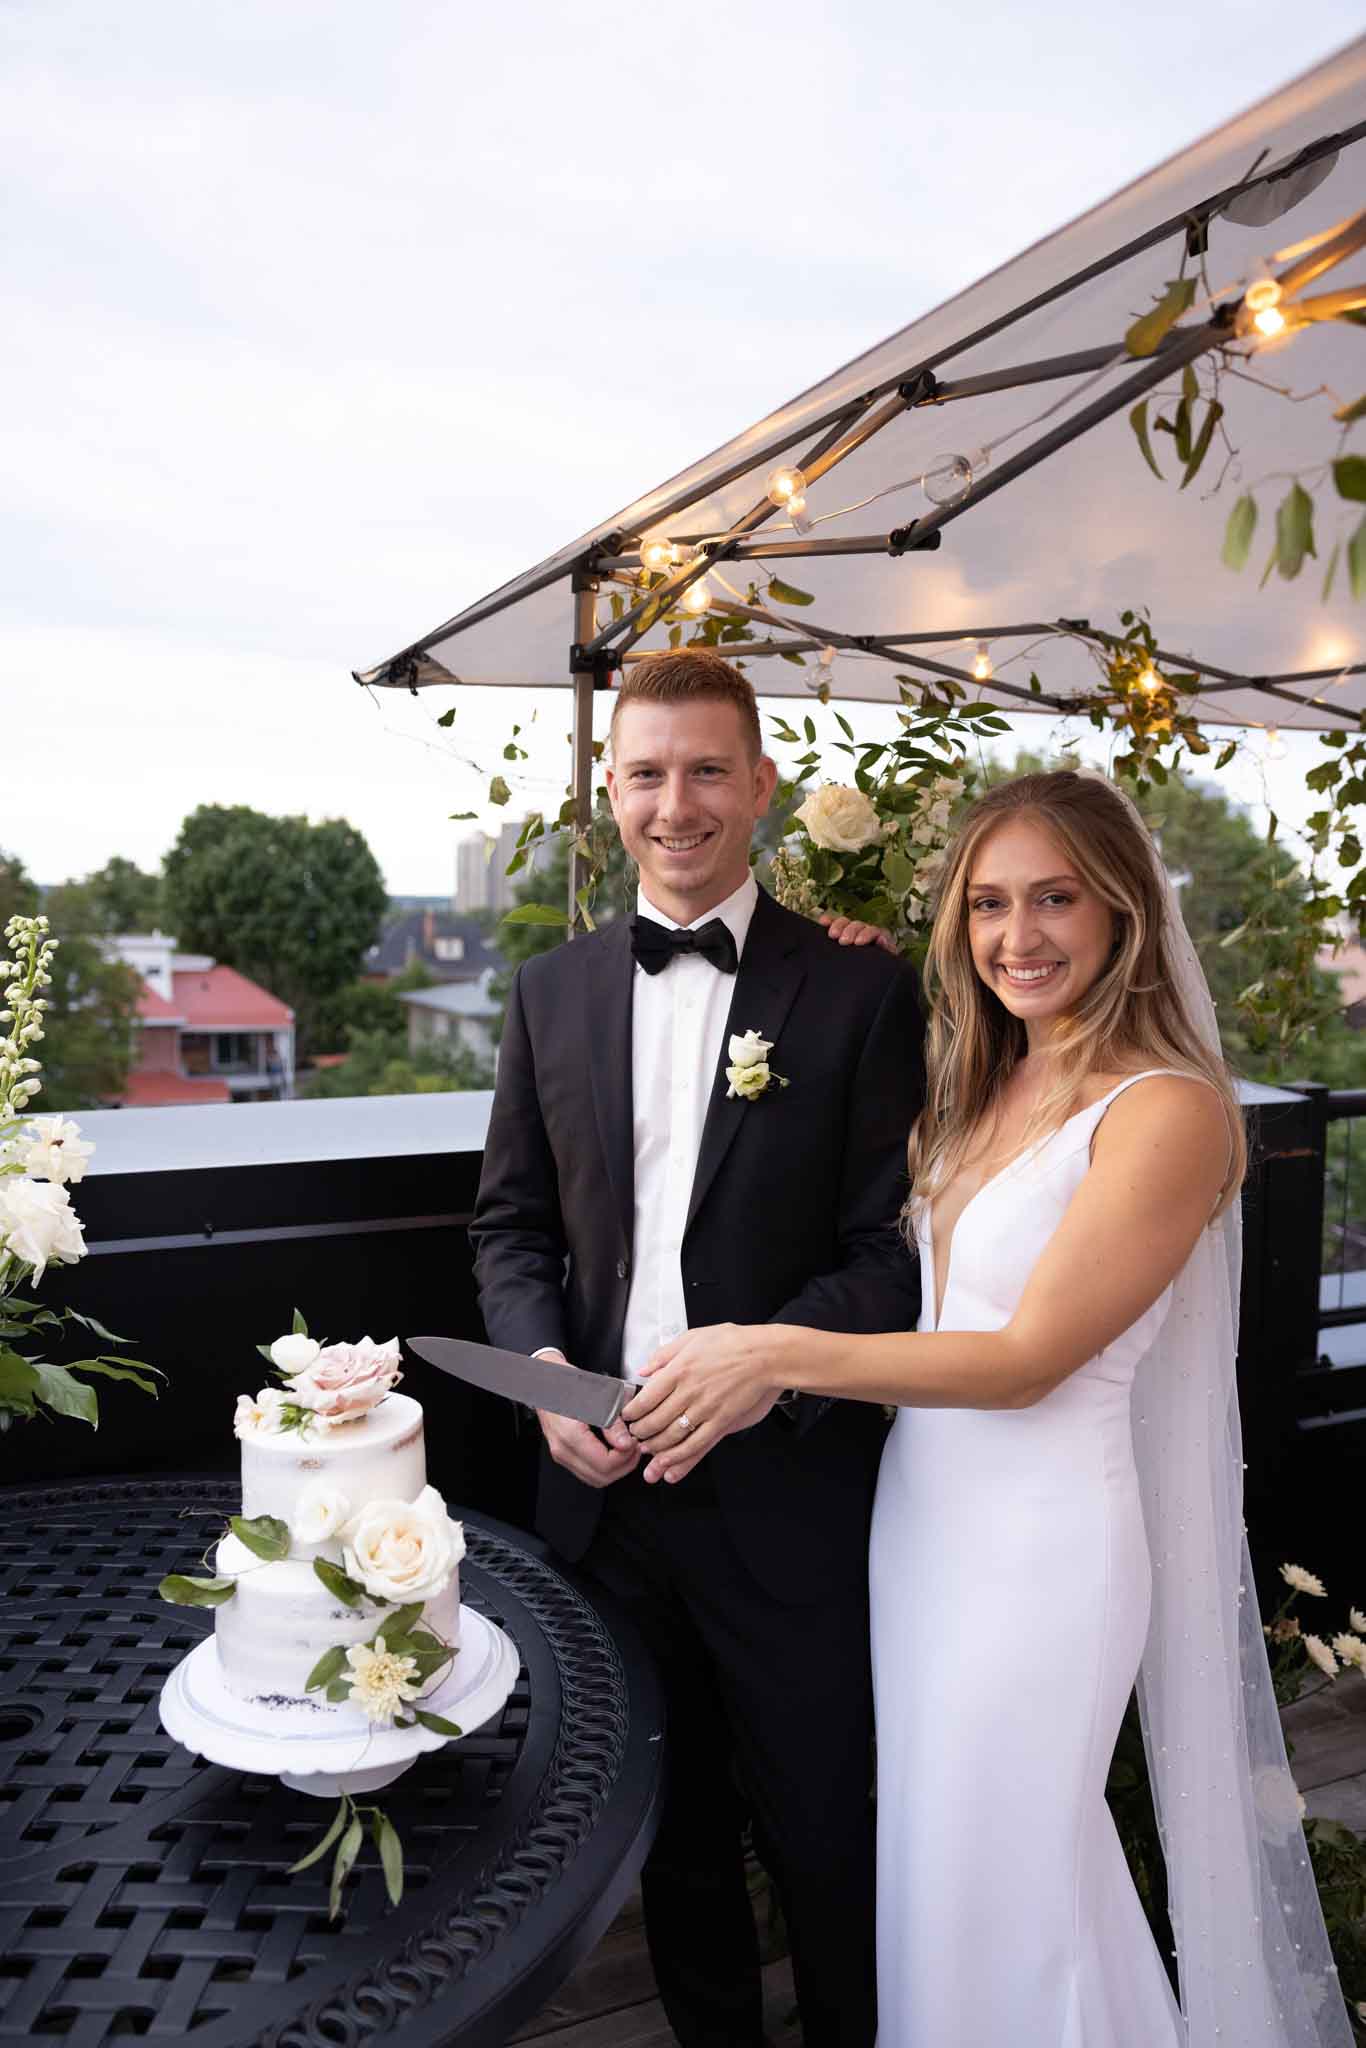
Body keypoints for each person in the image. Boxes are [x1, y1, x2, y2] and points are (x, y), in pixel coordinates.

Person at [624, 769, 1352, 2048]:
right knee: (940, 1871)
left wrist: (774, 1355)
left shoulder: (1165, 1110)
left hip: (1043, 1549)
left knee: (1025, 1885)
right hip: (923, 1528)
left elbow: (1022, 1358)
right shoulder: (982, 1077)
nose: (1019, 936)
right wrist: (855, 944)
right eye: (989, 905)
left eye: (1055, 898)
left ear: (1123, 907)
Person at [469, 649, 925, 2048]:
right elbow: (510, 1229)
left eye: (707, 769)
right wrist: (544, 1377)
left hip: (789, 1493)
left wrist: (766, 1366)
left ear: (761, 785)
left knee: (822, 1834)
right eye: (648, 773)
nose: (679, 803)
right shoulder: (546, 993)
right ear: (608, 793)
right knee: (667, 1840)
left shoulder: (858, 991)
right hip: (604, 1503)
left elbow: (891, 1254)